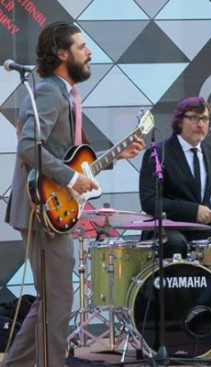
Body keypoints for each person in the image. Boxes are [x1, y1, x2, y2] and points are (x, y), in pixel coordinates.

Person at [3, 21, 144, 367]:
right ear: (62, 53)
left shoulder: (64, 93)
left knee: (51, 301)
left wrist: (114, 156)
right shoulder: (51, 91)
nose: (90, 51)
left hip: (50, 208)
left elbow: (71, 158)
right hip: (42, 211)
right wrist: (69, 178)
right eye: (82, 46)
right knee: (58, 301)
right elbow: (27, 147)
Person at [138, 96, 211, 259]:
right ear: (180, 121)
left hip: (203, 228)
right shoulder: (158, 153)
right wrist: (193, 210)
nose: (200, 124)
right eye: (194, 118)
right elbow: (149, 201)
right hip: (169, 228)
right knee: (177, 244)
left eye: (204, 118)